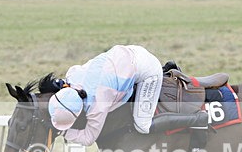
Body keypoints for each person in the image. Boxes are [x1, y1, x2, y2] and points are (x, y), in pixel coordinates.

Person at [48, 45, 206, 146]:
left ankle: (197, 119)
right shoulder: (72, 76)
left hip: (147, 70)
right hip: (130, 52)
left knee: (143, 125)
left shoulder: (98, 105)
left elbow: (89, 138)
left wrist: (64, 132)